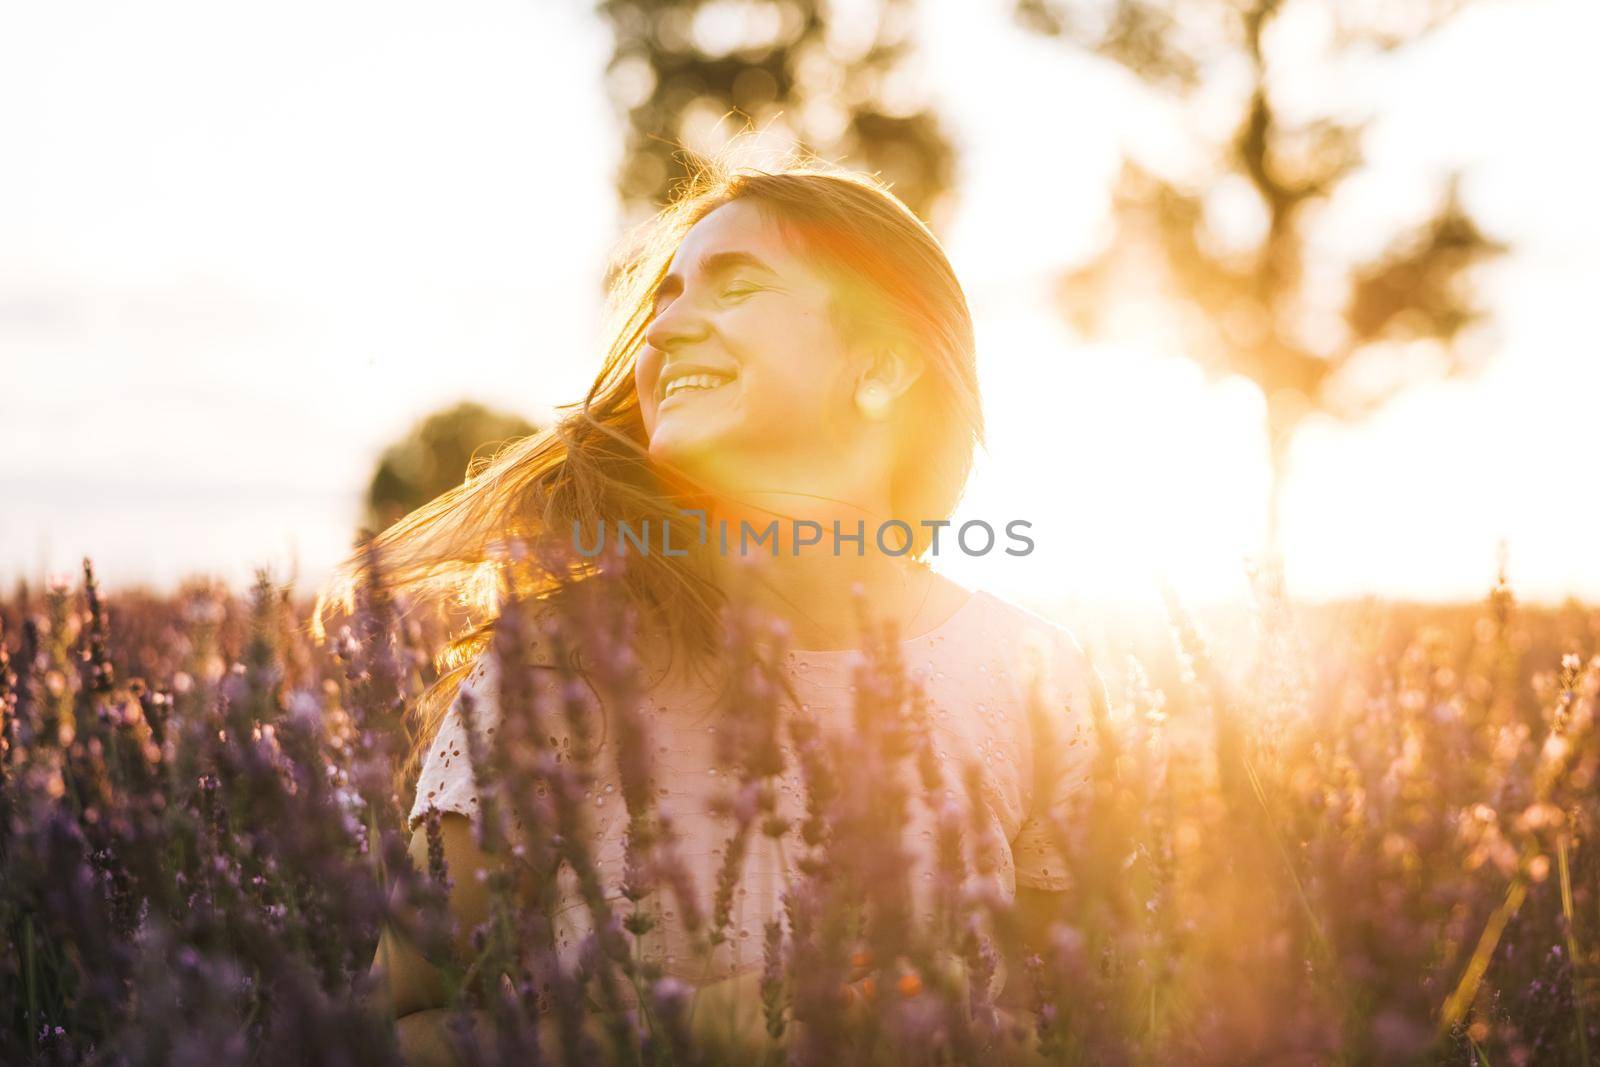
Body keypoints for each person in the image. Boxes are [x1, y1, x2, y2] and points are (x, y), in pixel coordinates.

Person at [348, 157, 1109, 1064]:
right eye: (664, 296)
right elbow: (385, 1029)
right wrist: (705, 1032)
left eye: (736, 284)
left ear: (879, 363)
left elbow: (1087, 1011)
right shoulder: (563, 660)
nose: (664, 325)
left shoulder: (1032, 673)